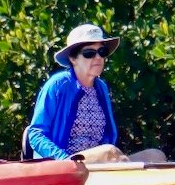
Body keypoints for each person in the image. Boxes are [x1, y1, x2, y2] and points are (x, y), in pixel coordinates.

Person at [25, 23, 166, 164]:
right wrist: (64, 159)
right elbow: (36, 134)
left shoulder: (101, 88)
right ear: (73, 59)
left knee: (156, 156)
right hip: (66, 163)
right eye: (89, 53)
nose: (98, 57)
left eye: (102, 52)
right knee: (110, 153)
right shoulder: (58, 84)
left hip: (100, 161)